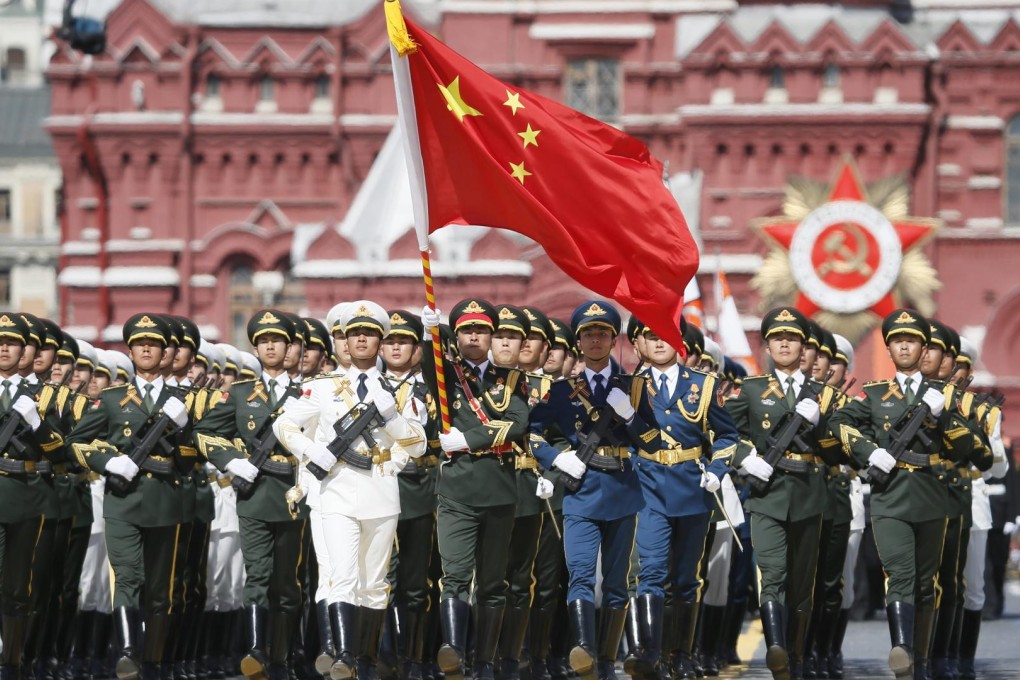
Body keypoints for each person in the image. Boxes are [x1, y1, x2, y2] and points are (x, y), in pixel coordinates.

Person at [275, 301, 428, 680]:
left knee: (374, 584)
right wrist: (315, 452)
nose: (361, 339)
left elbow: (418, 445)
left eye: (370, 333)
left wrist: (391, 416)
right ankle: (343, 656)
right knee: (341, 575)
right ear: (344, 339)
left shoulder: (398, 388)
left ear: (381, 340)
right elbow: (285, 426)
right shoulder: (321, 388)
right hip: (336, 491)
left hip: (380, 490)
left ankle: (365, 660)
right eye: (354, 333)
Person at [828, 309, 981, 679]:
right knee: (899, 574)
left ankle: (923, 660)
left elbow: (972, 449)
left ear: (923, 347)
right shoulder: (877, 394)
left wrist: (944, 415)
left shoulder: (945, 394)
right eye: (898, 341)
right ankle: (902, 650)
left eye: (911, 341)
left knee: (926, 583)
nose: (905, 346)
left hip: (932, 494)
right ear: (890, 348)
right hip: (890, 495)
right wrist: (869, 452)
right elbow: (838, 421)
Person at [529, 301, 660, 680]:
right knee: (581, 574)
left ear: (613, 338)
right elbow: (535, 435)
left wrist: (631, 417)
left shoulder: (633, 387)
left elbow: (651, 442)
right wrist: (555, 458)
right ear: (578, 341)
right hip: (581, 490)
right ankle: (583, 650)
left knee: (617, 582)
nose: (596, 339)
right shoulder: (560, 391)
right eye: (588, 333)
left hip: (621, 489)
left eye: (603, 332)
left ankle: (605, 660)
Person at [67, 313, 193, 680]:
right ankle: (126, 653)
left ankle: (153, 661)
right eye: (139, 344)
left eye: (152, 344)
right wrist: (110, 461)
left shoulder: (181, 399)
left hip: (165, 501)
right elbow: (77, 442)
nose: (146, 349)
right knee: (127, 577)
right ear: (131, 351)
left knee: (158, 588)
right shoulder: (111, 399)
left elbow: (190, 459)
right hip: (122, 500)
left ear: (164, 351)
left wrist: (184, 428)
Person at [724, 307, 843, 680]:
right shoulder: (752, 390)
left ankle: (796, 653)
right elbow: (726, 434)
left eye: (792, 338)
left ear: (804, 347)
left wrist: (820, 422)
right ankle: (777, 650)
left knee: (802, 584)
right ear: (767, 346)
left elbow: (840, 452)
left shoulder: (823, 395)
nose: (785, 344)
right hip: (768, 493)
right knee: (771, 574)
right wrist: (747, 459)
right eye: (778, 338)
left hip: (809, 493)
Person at [192, 310, 309, 680]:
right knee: (257, 575)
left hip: (296, 494)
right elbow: (206, 431)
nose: (270, 346)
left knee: (288, 582)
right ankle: (256, 651)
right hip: (255, 493)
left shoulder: (311, 390)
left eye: (277, 340)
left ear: (290, 346)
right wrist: (231, 460)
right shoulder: (240, 392)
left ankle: (283, 657)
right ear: (255, 347)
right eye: (263, 341)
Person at [419, 299, 531, 680]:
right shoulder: (446, 372)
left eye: (480, 330)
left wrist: (466, 438)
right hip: (458, 490)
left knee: (492, 583)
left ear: (491, 336)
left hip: (499, 489)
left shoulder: (511, 378)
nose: (473, 336)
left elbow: (517, 424)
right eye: (466, 329)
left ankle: (485, 663)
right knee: (454, 576)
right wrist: (430, 332)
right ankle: (453, 651)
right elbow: (427, 369)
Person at [624, 319, 739, 680]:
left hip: (691, 486)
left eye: (666, 336)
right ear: (641, 343)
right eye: (651, 336)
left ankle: (681, 654)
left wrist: (716, 471)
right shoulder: (631, 388)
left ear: (680, 342)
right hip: (648, 486)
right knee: (651, 570)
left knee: (687, 578)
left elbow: (726, 436)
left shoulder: (703, 385)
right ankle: (648, 650)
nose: (659, 343)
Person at [0, 312, 67, 680]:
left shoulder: (46, 395)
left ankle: (12, 662)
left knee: (17, 587)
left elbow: (60, 450)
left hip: (26, 496)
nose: (4, 349)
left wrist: (38, 424)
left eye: (11, 343)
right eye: (0, 343)